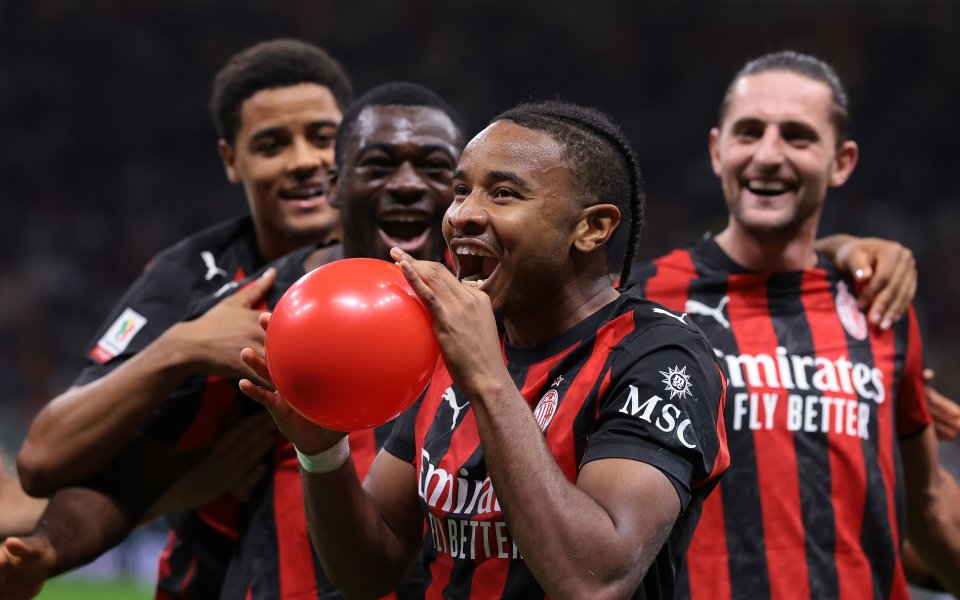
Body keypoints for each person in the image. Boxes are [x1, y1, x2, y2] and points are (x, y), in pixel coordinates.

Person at [236, 100, 731, 599]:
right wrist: (322, 451)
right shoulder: (451, 340)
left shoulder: (659, 356)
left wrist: (486, 378)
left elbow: (595, 584)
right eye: (461, 190)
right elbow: (371, 569)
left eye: (503, 193)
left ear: (592, 228)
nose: (461, 215)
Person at [0, 81, 465, 600]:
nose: (407, 184)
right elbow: (134, 482)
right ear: (335, 186)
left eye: (434, 167)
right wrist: (49, 549)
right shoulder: (250, 311)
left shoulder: (490, 310)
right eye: (379, 165)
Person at [14, 38, 354, 599]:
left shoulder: (403, 261)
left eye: (322, 137)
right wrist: (181, 347)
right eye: (271, 144)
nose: (303, 160)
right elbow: (43, 460)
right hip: (213, 578)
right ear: (231, 160)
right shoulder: (192, 277)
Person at [631, 50, 960, 598]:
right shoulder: (640, 306)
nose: (768, 155)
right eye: (749, 132)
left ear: (842, 162)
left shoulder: (879, 303)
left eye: (797, 137)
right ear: (717, 150)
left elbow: (929, 505)